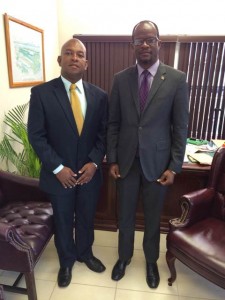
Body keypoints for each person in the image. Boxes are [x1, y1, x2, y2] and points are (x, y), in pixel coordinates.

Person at [107, 20, 189, 289]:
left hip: (158, 163)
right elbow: (114, 123)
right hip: (127, 162)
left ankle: (151, 261)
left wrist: (174, 166)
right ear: (132, 45)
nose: (144, 45)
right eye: (139, 41)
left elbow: (180, 126)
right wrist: (113, 158)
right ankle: (124, 258)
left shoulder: (176, 79)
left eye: (149, 40)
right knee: (125, 214)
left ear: (158, 43)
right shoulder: (121, 79)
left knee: (153, 216)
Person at [28, 38, 108, 288]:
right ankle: (67, 261)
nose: (75, 57)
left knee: (86, 217)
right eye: (69, 53)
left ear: (87, 62)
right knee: (63, 219)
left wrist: (95, 162)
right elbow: (36, 135)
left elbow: (104, 135)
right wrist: (58, 168)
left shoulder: (100, 96)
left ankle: (85, 253)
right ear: (59, 60)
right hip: (58, 175)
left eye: (80, 54)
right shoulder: (41, 93)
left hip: (89, 174)